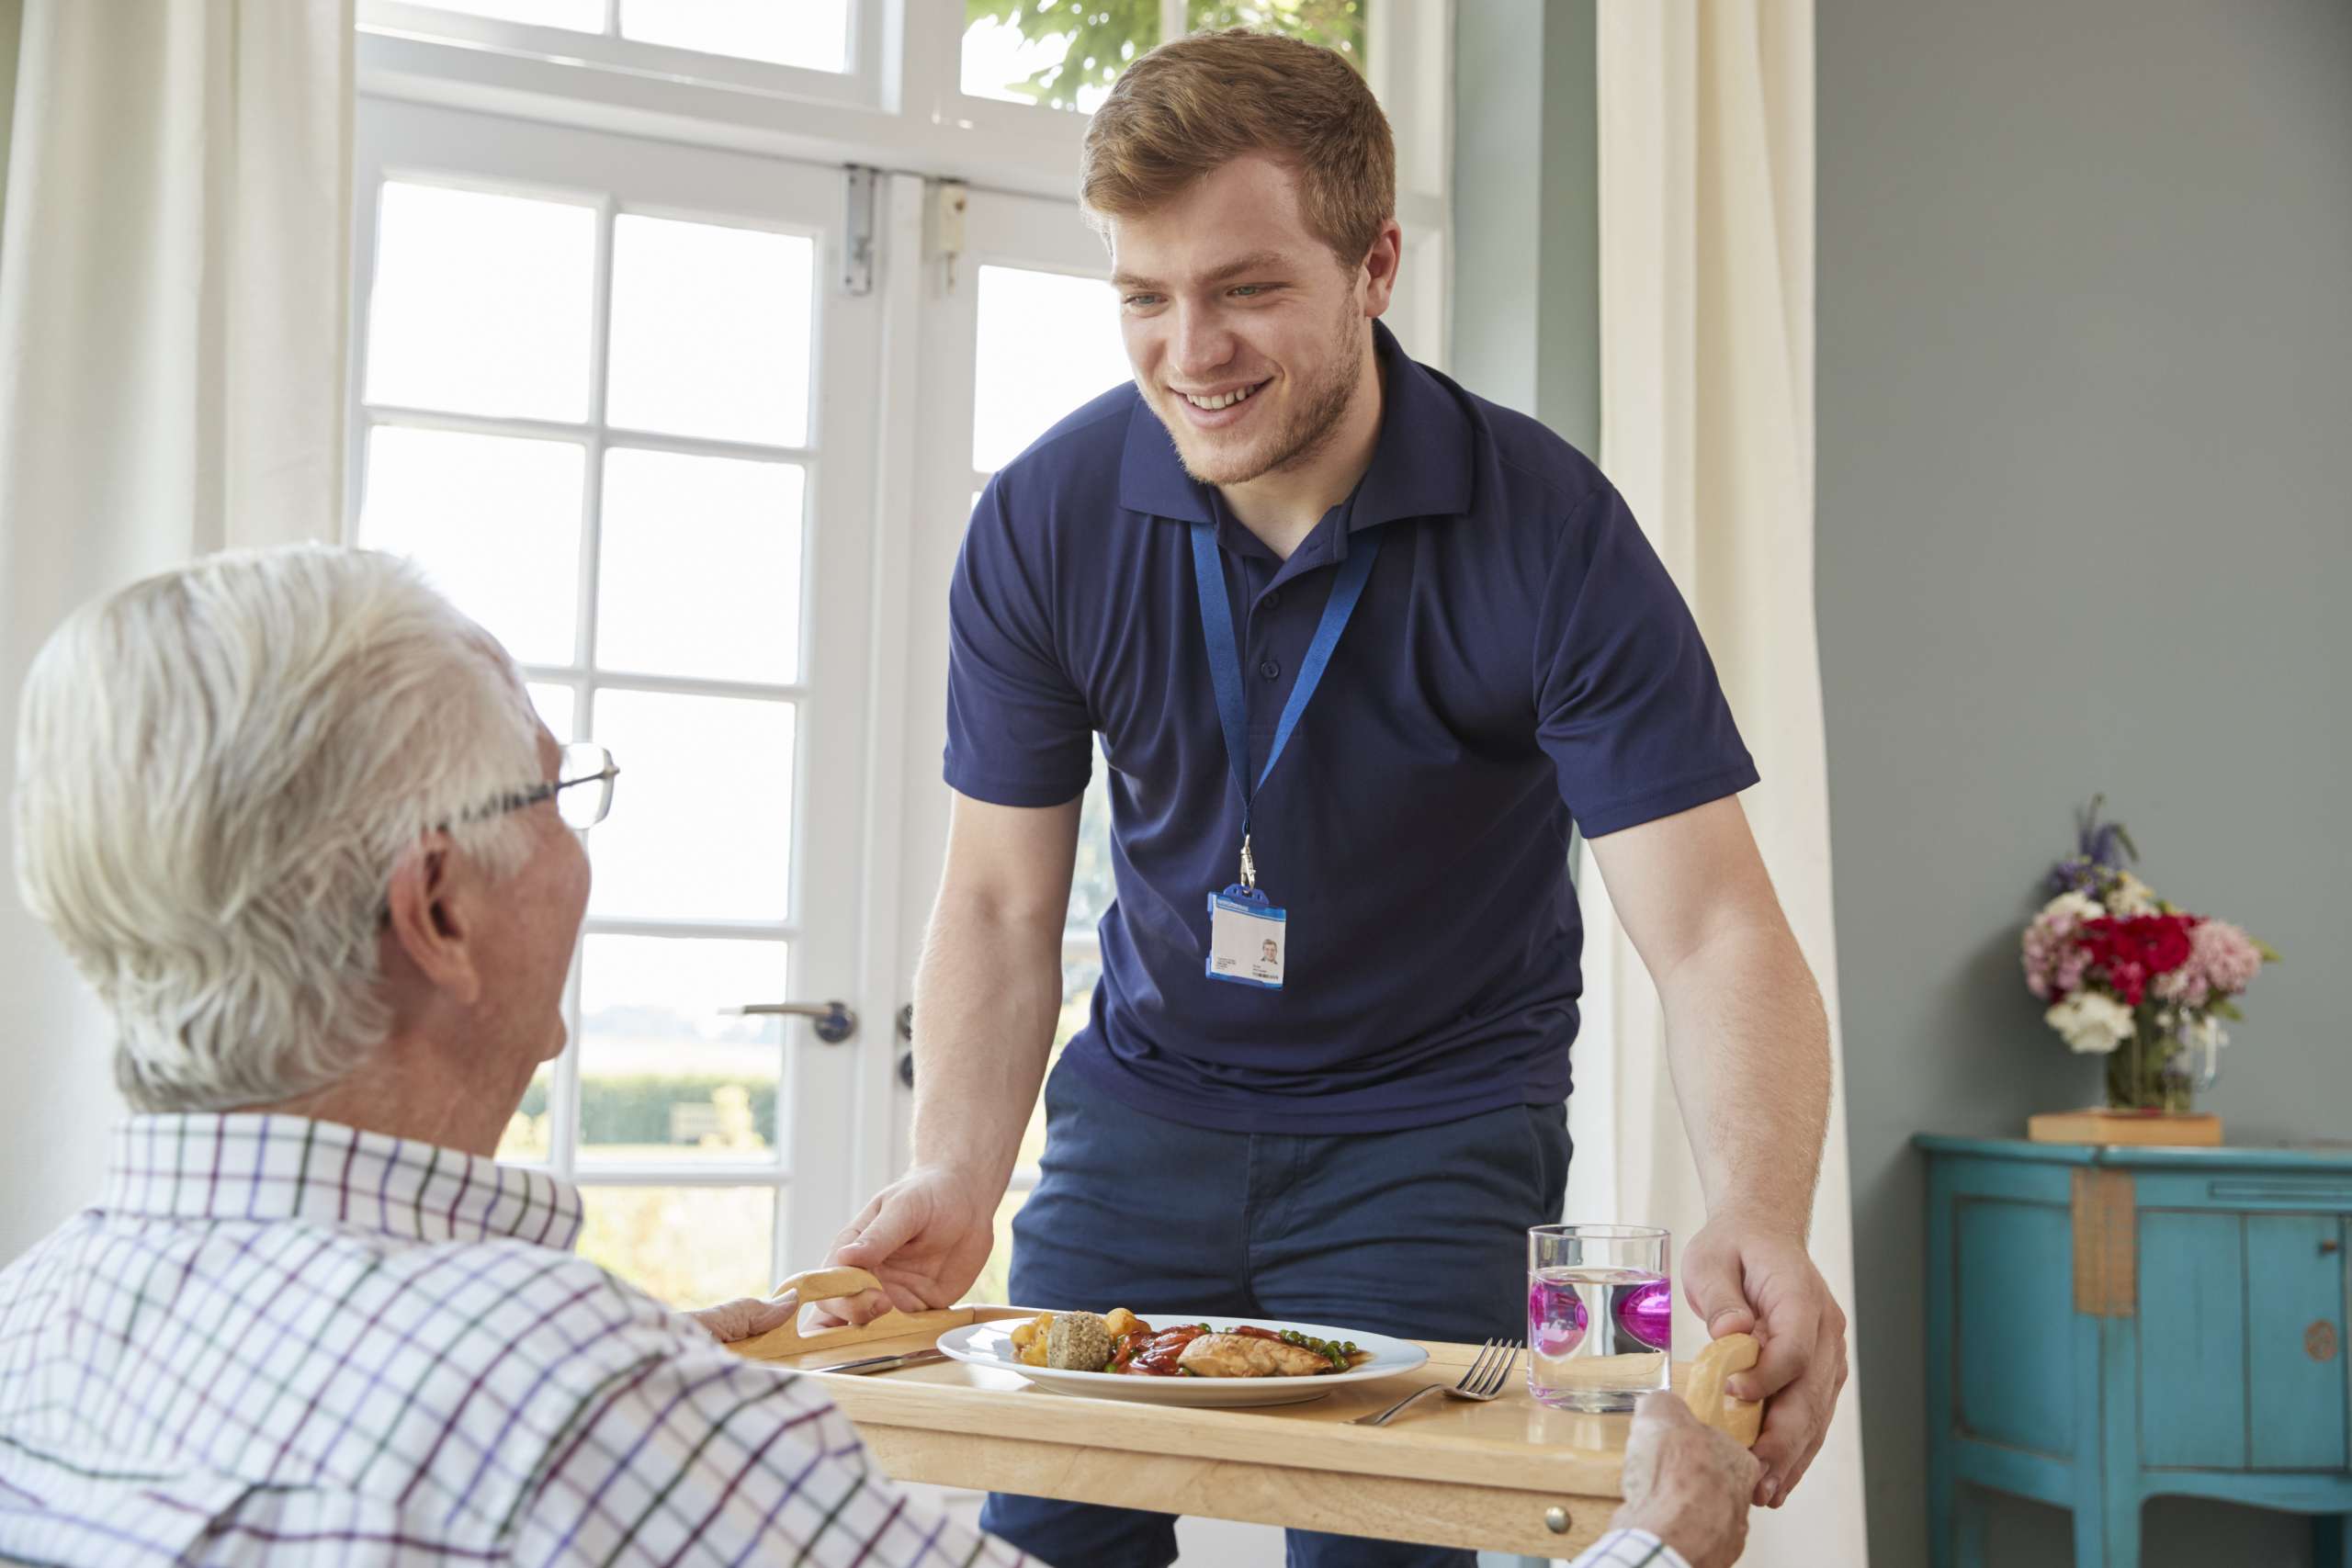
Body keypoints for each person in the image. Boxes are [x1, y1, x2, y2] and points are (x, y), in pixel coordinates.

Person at [0, 546, 1760, 1568]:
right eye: (553, 791)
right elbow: (538, 1438)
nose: (581, 845)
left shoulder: (38, 1324)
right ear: (439, 912)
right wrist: (1651, 1547)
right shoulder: (562, 1395)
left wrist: (689, 1363)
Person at [816, 28, 1847, 1568]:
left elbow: (1710, 929)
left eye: (1245, 289)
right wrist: (958, 1169)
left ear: (1376, 264)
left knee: (1385, 1548)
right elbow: (995, 898)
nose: (1190, 351)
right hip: (1142, 1115)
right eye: (1144, 298)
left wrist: (1761, 1208)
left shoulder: (1550, 529)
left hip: (1433, 1130)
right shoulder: (1047, 516)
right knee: (1045, 1536)